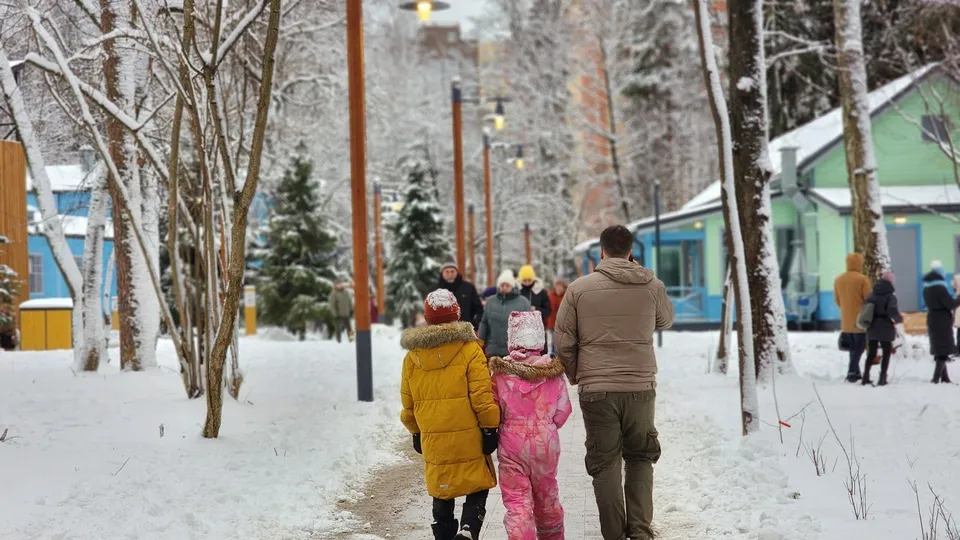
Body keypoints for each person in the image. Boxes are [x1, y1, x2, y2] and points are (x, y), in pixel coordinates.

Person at [554, 225, 675, 540]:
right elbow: (666, 319)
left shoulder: (579, 289)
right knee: (640, 456)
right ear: (631, 251)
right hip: (640, 387)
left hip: (597, 389)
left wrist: (575, 372)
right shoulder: (652, 285)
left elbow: (563, 340)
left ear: (602, 251)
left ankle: (613, 534)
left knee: (604, 462)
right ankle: (640, 529)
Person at [399, 289, 501, 540]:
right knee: (477, 481)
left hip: (433, 436)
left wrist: (415, 431)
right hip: (468, 434)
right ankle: (468, 528)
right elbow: (481, 395)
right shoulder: (470, 349)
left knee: (442, 486)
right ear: (457, 314)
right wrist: (490, 427)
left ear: (428, 318)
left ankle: (443, 531)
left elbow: (407, 400)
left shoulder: (412, 356)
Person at [488, 311, 571, 540]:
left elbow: (493, 413)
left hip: (512, 445)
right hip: (545, 444)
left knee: (517, 502)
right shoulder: (553, 374)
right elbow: (563, 413)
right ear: (539, 339)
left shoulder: (499, 375)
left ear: (512, 338)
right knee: (547, 497)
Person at [834, 253, 873, 382]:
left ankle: (855, 373)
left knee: (852, 348)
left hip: (846, 319)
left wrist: (846, 309)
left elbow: (837, 300)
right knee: (860, 347)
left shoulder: (838, 279)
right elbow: (868, 299)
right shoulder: (863, 279)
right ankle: (851, 371)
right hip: (860, 319)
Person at [863, 271, 904, 386]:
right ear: (891, 282)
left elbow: (865, 307)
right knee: (886, 352)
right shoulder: (890, 296)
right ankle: (882, 377)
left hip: (872, 326)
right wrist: (899, 319)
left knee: (871, 352)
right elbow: (892, 311)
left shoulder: (872, 294)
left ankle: (865, 376)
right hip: (885, 326)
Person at [479, 270, 531, 357]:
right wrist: (481, 342)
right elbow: (484, 323)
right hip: (493, 349)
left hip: (515, 352)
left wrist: (527, 347)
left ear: (512, 286)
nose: (504, 287)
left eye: (507, 285)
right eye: (502, 285)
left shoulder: (523, 302)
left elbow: (528, 327)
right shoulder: (491, 301)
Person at [922, 261, 957, 383]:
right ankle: (936, 378)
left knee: (939, 347)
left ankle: (944, 377)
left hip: (932, 318)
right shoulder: (940, 288)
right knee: (943, 349)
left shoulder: (926, 288)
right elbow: (950, 304)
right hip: (941, 320)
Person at [438, 262, 484, 330]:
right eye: (447, 272)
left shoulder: (468, 288)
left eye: (452, 271)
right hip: (441, 332)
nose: (450, 274)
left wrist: (474, 324)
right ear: (442, 273)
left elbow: (479, 309)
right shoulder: (435, 289)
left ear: (457, 272)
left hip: (465, 331)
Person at [545, 277, 567, 356]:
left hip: (563, 321)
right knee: (553, 338)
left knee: (561, 339)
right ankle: (554, 353)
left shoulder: (566, 295)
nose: (558, 289)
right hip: (553, 321)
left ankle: (560, 353)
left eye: (560, 287)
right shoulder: (551, 295)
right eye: (557, 286)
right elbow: (551, 306)